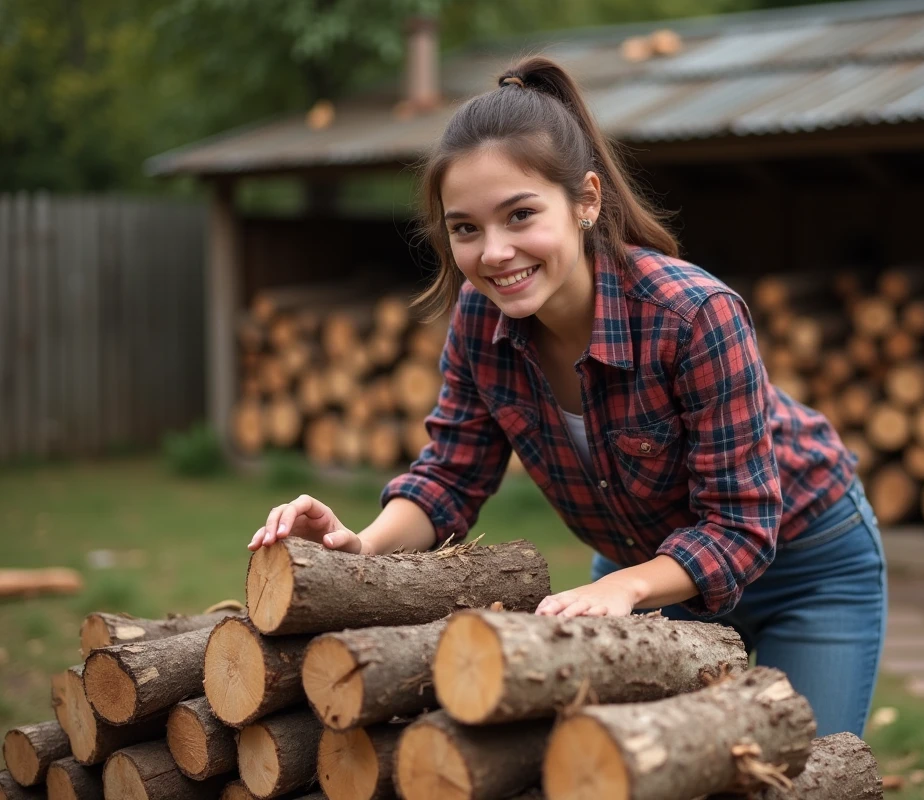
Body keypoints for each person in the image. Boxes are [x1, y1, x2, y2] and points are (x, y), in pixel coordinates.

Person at [247, 56, 886, 737]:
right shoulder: (478, 318)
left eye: (520, 215)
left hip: (805, 565)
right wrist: (362, 552)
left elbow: (740, 527)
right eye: (465, 228)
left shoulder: (693, 315)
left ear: (586, 199)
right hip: (641, 571)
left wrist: (624, 586)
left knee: (800, 771)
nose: (494, 252)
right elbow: (451, 476)